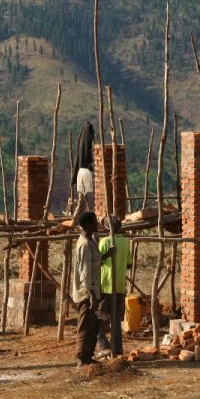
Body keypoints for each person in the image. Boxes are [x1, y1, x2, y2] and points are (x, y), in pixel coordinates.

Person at [97, 216, 131, 357]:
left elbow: (96, 261)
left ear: (105, 228)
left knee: (97, 317)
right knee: (116, 321)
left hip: (106, 285)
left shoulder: (105, 241)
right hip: (120, 286)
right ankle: (117, 350)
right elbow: (129, 264)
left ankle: (105, 346)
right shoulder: (124, 242)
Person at [73, 211, 102, 367]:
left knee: (92, 325)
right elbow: (85, 273)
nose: (97, 223)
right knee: (85, 326)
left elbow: (94, 263)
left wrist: (107, 256)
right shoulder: (84, 244)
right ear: (88, 225)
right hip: (87, 294)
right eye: (95, 221)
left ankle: (88, 356)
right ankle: (82, 358)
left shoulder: (91, 241)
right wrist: (92, 297)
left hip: (93, 290)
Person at [72, 121, 95, 216]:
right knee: (82, 201)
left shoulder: (84, 145)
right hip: (83, 175)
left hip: (82, 174)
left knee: (83, 200)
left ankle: (78, 219)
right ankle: (75, 220)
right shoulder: (85, 146)